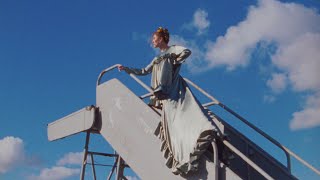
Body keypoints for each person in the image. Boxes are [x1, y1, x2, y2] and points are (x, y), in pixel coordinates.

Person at [118, 27, 218, 175]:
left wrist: (172, 60)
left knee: (181, 118)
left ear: (161, 38)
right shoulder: (156, 58)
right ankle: (182, 155)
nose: (152, 41)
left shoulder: (172, 50)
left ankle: (191, 148)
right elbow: (144, 71)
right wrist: (126, 69)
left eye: (154, 38)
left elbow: (186, 52)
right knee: (171, 125)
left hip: (171, 88)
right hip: (162, 95)